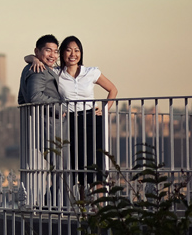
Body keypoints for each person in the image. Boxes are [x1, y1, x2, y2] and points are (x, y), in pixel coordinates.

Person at [56, 36, 118, 193]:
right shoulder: (56, 74)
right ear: (62, 53)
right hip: (70, 123)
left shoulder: (91, 72)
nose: (73, 54)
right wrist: (34, 60)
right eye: (68, 50)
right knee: (79, 166)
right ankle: (84, 210)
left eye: (77, 50)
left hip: (92, 120)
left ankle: (99, 208)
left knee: (96, 165)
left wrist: (105, 109)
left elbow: (113, 90)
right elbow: (30, 58)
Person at [17, 35, 61, 208]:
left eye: (55, 51)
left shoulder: (33, 65)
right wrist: (60, 108)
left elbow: (23, 98)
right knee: (63, 171)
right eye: (48, 50)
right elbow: (35, 97)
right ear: (38, 51)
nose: (53, 55)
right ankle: (50, 206)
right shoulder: (39, 69)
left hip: (44, 125)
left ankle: (49, 204)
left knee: (60, 171)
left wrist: (32, 57)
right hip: (48, 126)